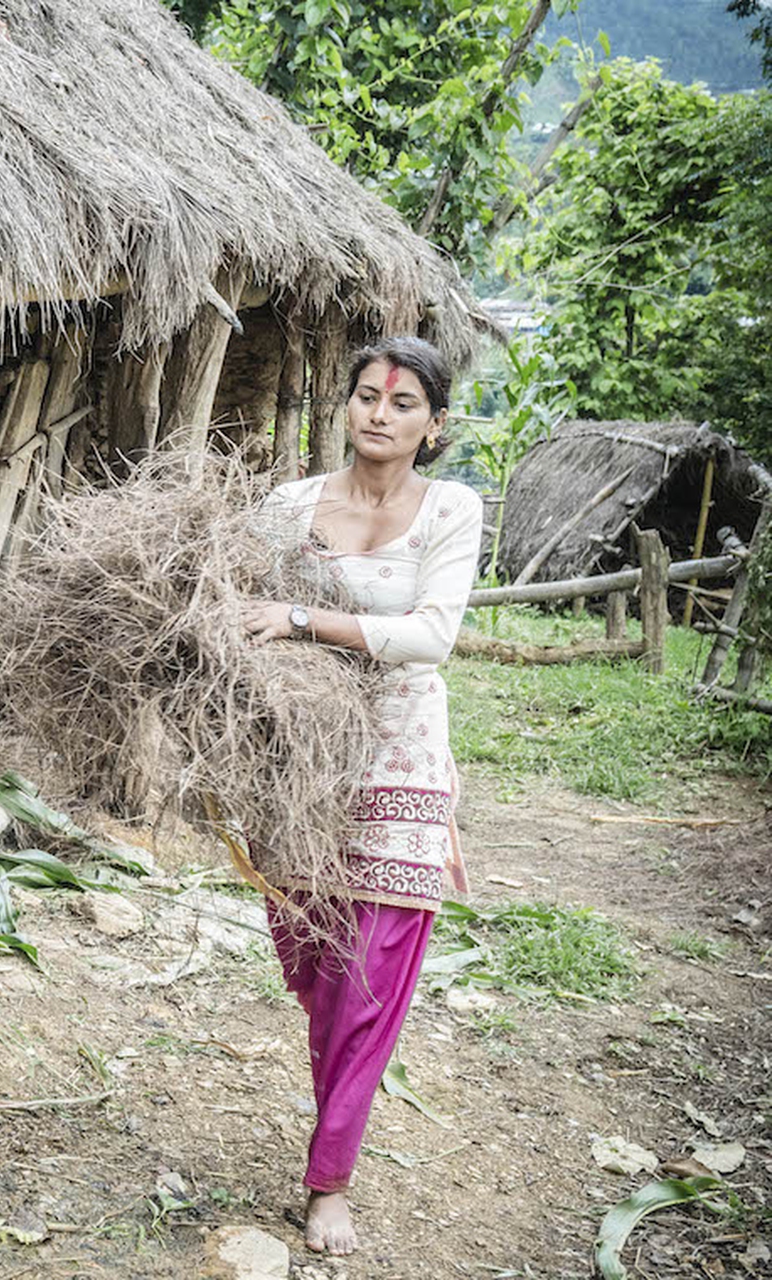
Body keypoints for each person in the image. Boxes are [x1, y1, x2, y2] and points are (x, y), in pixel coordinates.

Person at [240, 335, 484, 1256]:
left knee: (367, 984)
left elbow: (430, 636)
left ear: (434, 424)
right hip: (300, 770)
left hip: (399, 764)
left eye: (404, 402)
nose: (380, 413)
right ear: (346, 404)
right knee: (314, 969)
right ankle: (335, 1094)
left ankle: (329, 1178)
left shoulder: (450, 511)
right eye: (367, 395)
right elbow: (234, 607)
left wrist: (304, 619)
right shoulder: (287, 507)